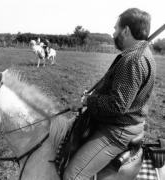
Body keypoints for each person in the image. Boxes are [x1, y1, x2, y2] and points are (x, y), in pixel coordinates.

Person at [64, 8, 156, 180]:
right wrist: (95, 94)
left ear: (126, 30)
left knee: (72, 175)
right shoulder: (141, 53)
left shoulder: (133, 60)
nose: (113, 33)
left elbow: (117, 105)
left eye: (116, 29)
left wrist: (87, 101)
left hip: (117, 130)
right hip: (122, 123)